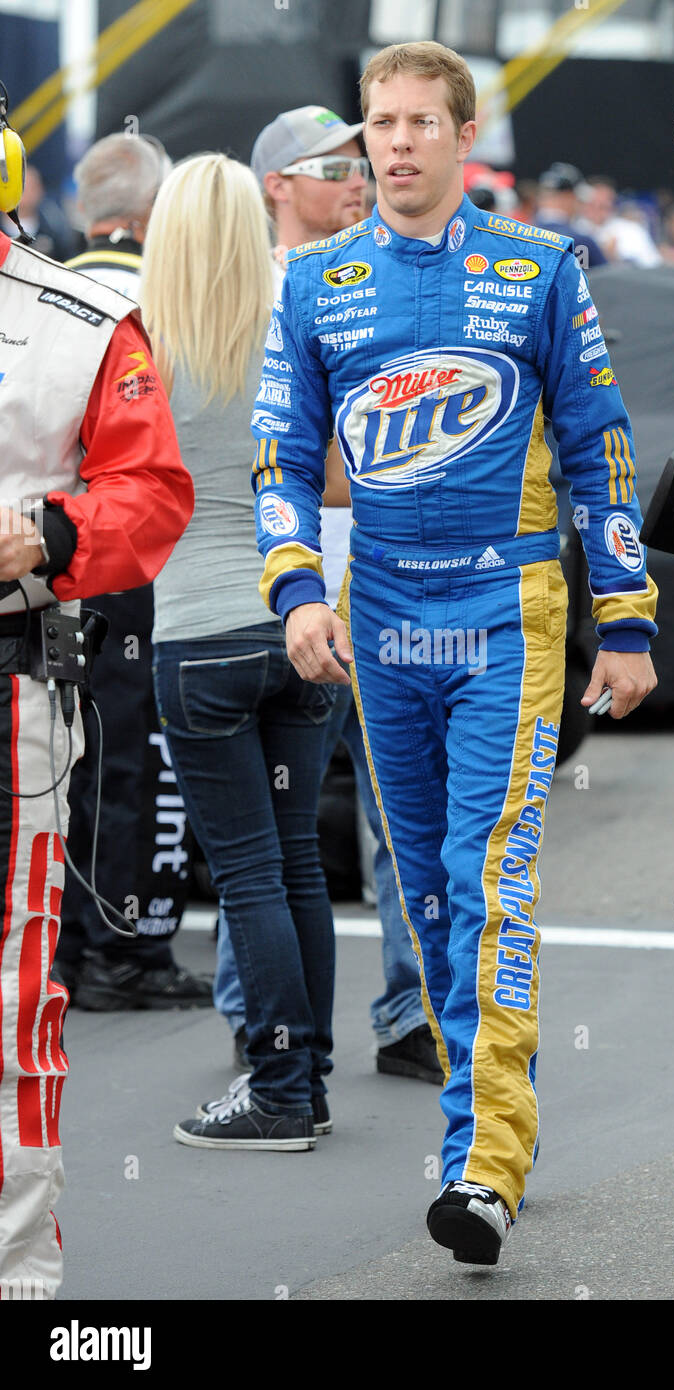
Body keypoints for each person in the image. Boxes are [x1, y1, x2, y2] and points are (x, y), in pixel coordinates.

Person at [251, 40, 658, 1264]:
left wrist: (627, 615)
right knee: (420, 885)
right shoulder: (316, 284)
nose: (398, 142)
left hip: (507, 611)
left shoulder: (536, 267)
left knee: (489, 877)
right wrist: (294, 593)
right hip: (375, 616)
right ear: (363, 136)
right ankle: (467, 1127)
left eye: (423, 121)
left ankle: (483, 1160)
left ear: (460, 136)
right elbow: (277, 455)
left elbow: (599, 448)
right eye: (381, 122)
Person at [203, 104, 441, 1083]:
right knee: (268, 825)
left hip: (386, 588)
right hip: (281, 594)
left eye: (359, 157)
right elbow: (261, 457)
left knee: (403, 815)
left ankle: (408, 1013)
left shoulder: (383, 277)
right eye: (330, 162)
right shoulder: (248, 295)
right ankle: (257, 1017)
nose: (356, 174)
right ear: (275, 188)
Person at [0, 93, 193, 1297]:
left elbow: (151, 494)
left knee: (16, 994)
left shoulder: (88, 317)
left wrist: (40, 530)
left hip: (12, 691)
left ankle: (19, 1272)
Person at [134, 153, 338, 1152]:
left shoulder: (142, 345)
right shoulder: (296, 330)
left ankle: (279, 1088)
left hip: (200, 634)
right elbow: (338, 480)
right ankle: (312, 1075)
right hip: (300, 621)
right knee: (296, 863)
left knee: (251, 875)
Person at [54, 132, 212, 1010]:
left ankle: (66, 950)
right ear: (155, 214)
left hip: (53, 559)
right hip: (141, 560)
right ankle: (126, 952)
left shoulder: (46, 288)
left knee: (63, 762)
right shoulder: (157, 300)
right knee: (135, 760)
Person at [534, 162, 606, 268]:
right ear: (569, 196)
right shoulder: (581, 242)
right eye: (579, 199)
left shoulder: (518, 237)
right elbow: (606, 281)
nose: (580, 205)